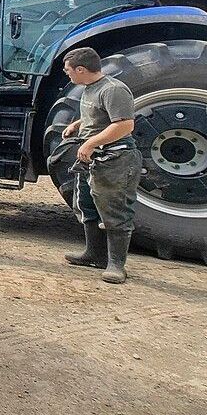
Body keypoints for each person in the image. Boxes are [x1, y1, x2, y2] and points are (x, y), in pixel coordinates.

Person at [58, 47, 141, 284]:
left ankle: (116, 264)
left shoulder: (113, 89)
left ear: (81, 69)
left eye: (68, 71)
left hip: (114, 160)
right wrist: (77, 125)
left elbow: (125, 125)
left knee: (114, 210)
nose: (68, 75)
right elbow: (100, 115)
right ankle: (93, 254)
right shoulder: (91, 89)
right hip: (92, 160)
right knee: (86, 204)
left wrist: (92, 141)